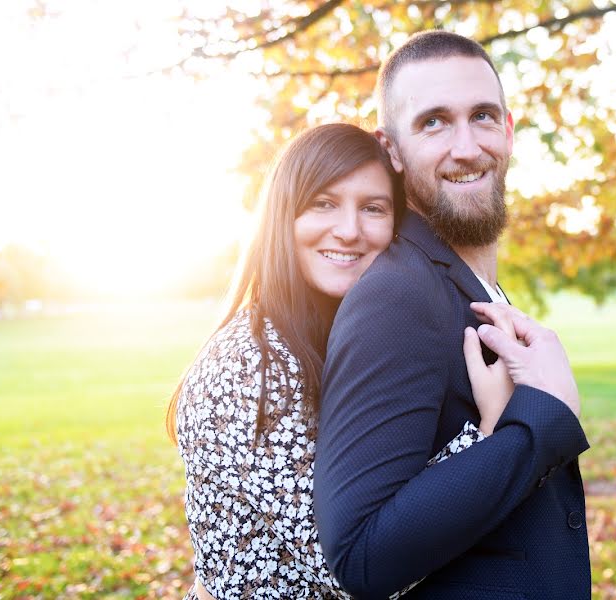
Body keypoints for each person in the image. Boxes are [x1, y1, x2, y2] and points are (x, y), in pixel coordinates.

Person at [166, 123, 518, 600]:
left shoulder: (351, 341)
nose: (349, 231)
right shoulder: (248, 363)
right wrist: (490, 438)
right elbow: (356, 567)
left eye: (373, 208)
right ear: (282, 217)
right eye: (324, 204)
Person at [314, 31, 591, 599]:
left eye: (483, 117)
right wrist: (541, 418)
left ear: (509, 131)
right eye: (433, 123)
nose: (465, 147)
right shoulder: (395, 296)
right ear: (390, 148)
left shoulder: (467, 284)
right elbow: (360, 554)